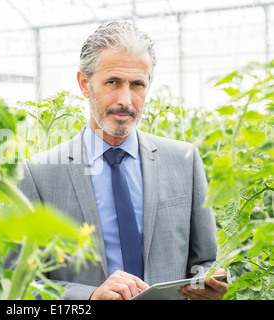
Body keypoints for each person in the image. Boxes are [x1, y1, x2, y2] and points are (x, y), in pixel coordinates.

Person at [16, 20, 228, 300]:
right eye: (113, 82)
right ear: (85, 84)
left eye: (137, 84)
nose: (126, 100)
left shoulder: (184, 161)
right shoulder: (38, 174)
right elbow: (18, 281)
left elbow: (207, 260)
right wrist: (89, 297)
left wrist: (209, 284)